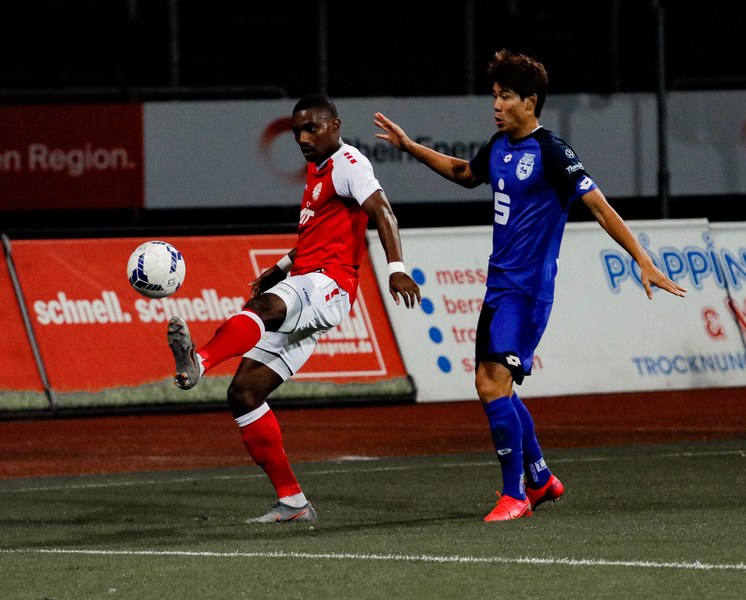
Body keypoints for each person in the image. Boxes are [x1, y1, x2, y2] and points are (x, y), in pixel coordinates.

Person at [374, 49, 687, 522]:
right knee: (493, 385)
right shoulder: (499, 147)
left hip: (527, 291)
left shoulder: (553, 152)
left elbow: (599, 208)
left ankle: (515, 495)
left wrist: (642, 259)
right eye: (494, 96)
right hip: (499, 287)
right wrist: (409, 147)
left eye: (505, 97)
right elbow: (464, 174)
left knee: (490, 385)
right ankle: (539, 479)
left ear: (530, 101)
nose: (496, 106)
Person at [167, 93, 421, 523]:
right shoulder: (318, 169)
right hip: (309, 279)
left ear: (335, 126)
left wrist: (397, 268)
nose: (303, 138)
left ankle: (200, 360)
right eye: (297, 131)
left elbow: (383, 211)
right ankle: (293, 503)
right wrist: (280, 267)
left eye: (311, 128)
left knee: (263, 307)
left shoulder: (349, 163)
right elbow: (318, 234)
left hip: (330, 283)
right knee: (244, 394)